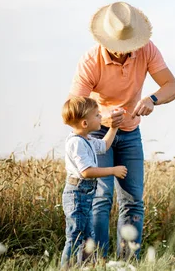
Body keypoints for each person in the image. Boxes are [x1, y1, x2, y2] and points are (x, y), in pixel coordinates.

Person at [68, 1, 175, 259]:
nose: (123, 52)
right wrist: (105, 115)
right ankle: (96, 260)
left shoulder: (147, 49)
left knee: (133, 201)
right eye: (118, 47)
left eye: (127, 46)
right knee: (101, 198)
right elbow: (75, 107)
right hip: (97, 135)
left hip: (130, 133)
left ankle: (128, 262)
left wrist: (152, 100)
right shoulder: (90, 61)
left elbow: (172, 87)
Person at [60, 97, 128, 269]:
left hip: (86, 195)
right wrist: (112, 170)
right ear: (85, 123)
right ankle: (66, 268)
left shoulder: (87, 139)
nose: (100, 118)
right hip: (77, 195)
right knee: (75, 235)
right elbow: (87, 171)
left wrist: (113, 127)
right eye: (97, 115)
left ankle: (86, 267)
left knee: (88, 236)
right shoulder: (76, 143)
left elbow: (104, 145)